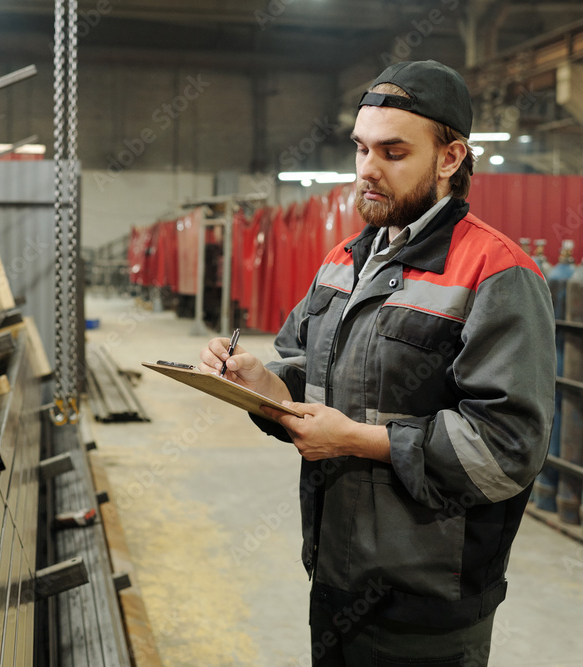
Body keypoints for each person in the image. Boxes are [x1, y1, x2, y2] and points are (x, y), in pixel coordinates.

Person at [199, 60, 556, 666]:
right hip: (336, 573)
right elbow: (305, 367)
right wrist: (262, 381)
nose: (368, 169)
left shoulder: (496, 273)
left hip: (427, 597)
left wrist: (363, 441)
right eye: (361, 149)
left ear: (450, 159)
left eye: (393, 152)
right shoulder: (345, 259)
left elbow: (507, 449)